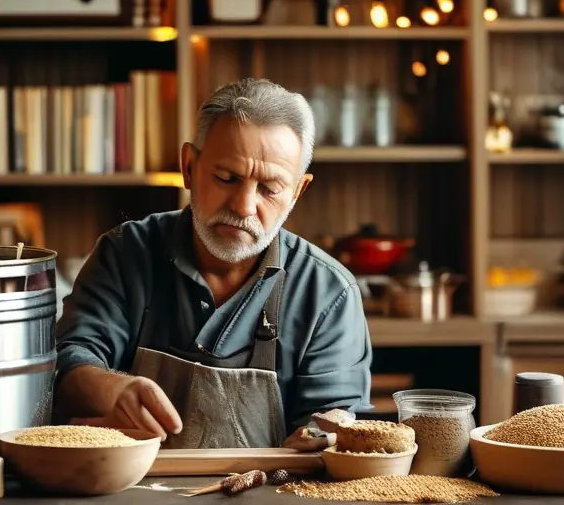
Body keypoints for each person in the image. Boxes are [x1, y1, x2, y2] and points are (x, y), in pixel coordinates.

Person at [53, 78, 372, 450]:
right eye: (227, 178)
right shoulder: (125, 253)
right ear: (189, 166)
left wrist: (328, 430)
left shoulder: (329, 293)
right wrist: (108, 388)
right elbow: (65, 364)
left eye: (269, 188)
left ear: (298, 191)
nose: (243, 206)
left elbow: (338, 420)